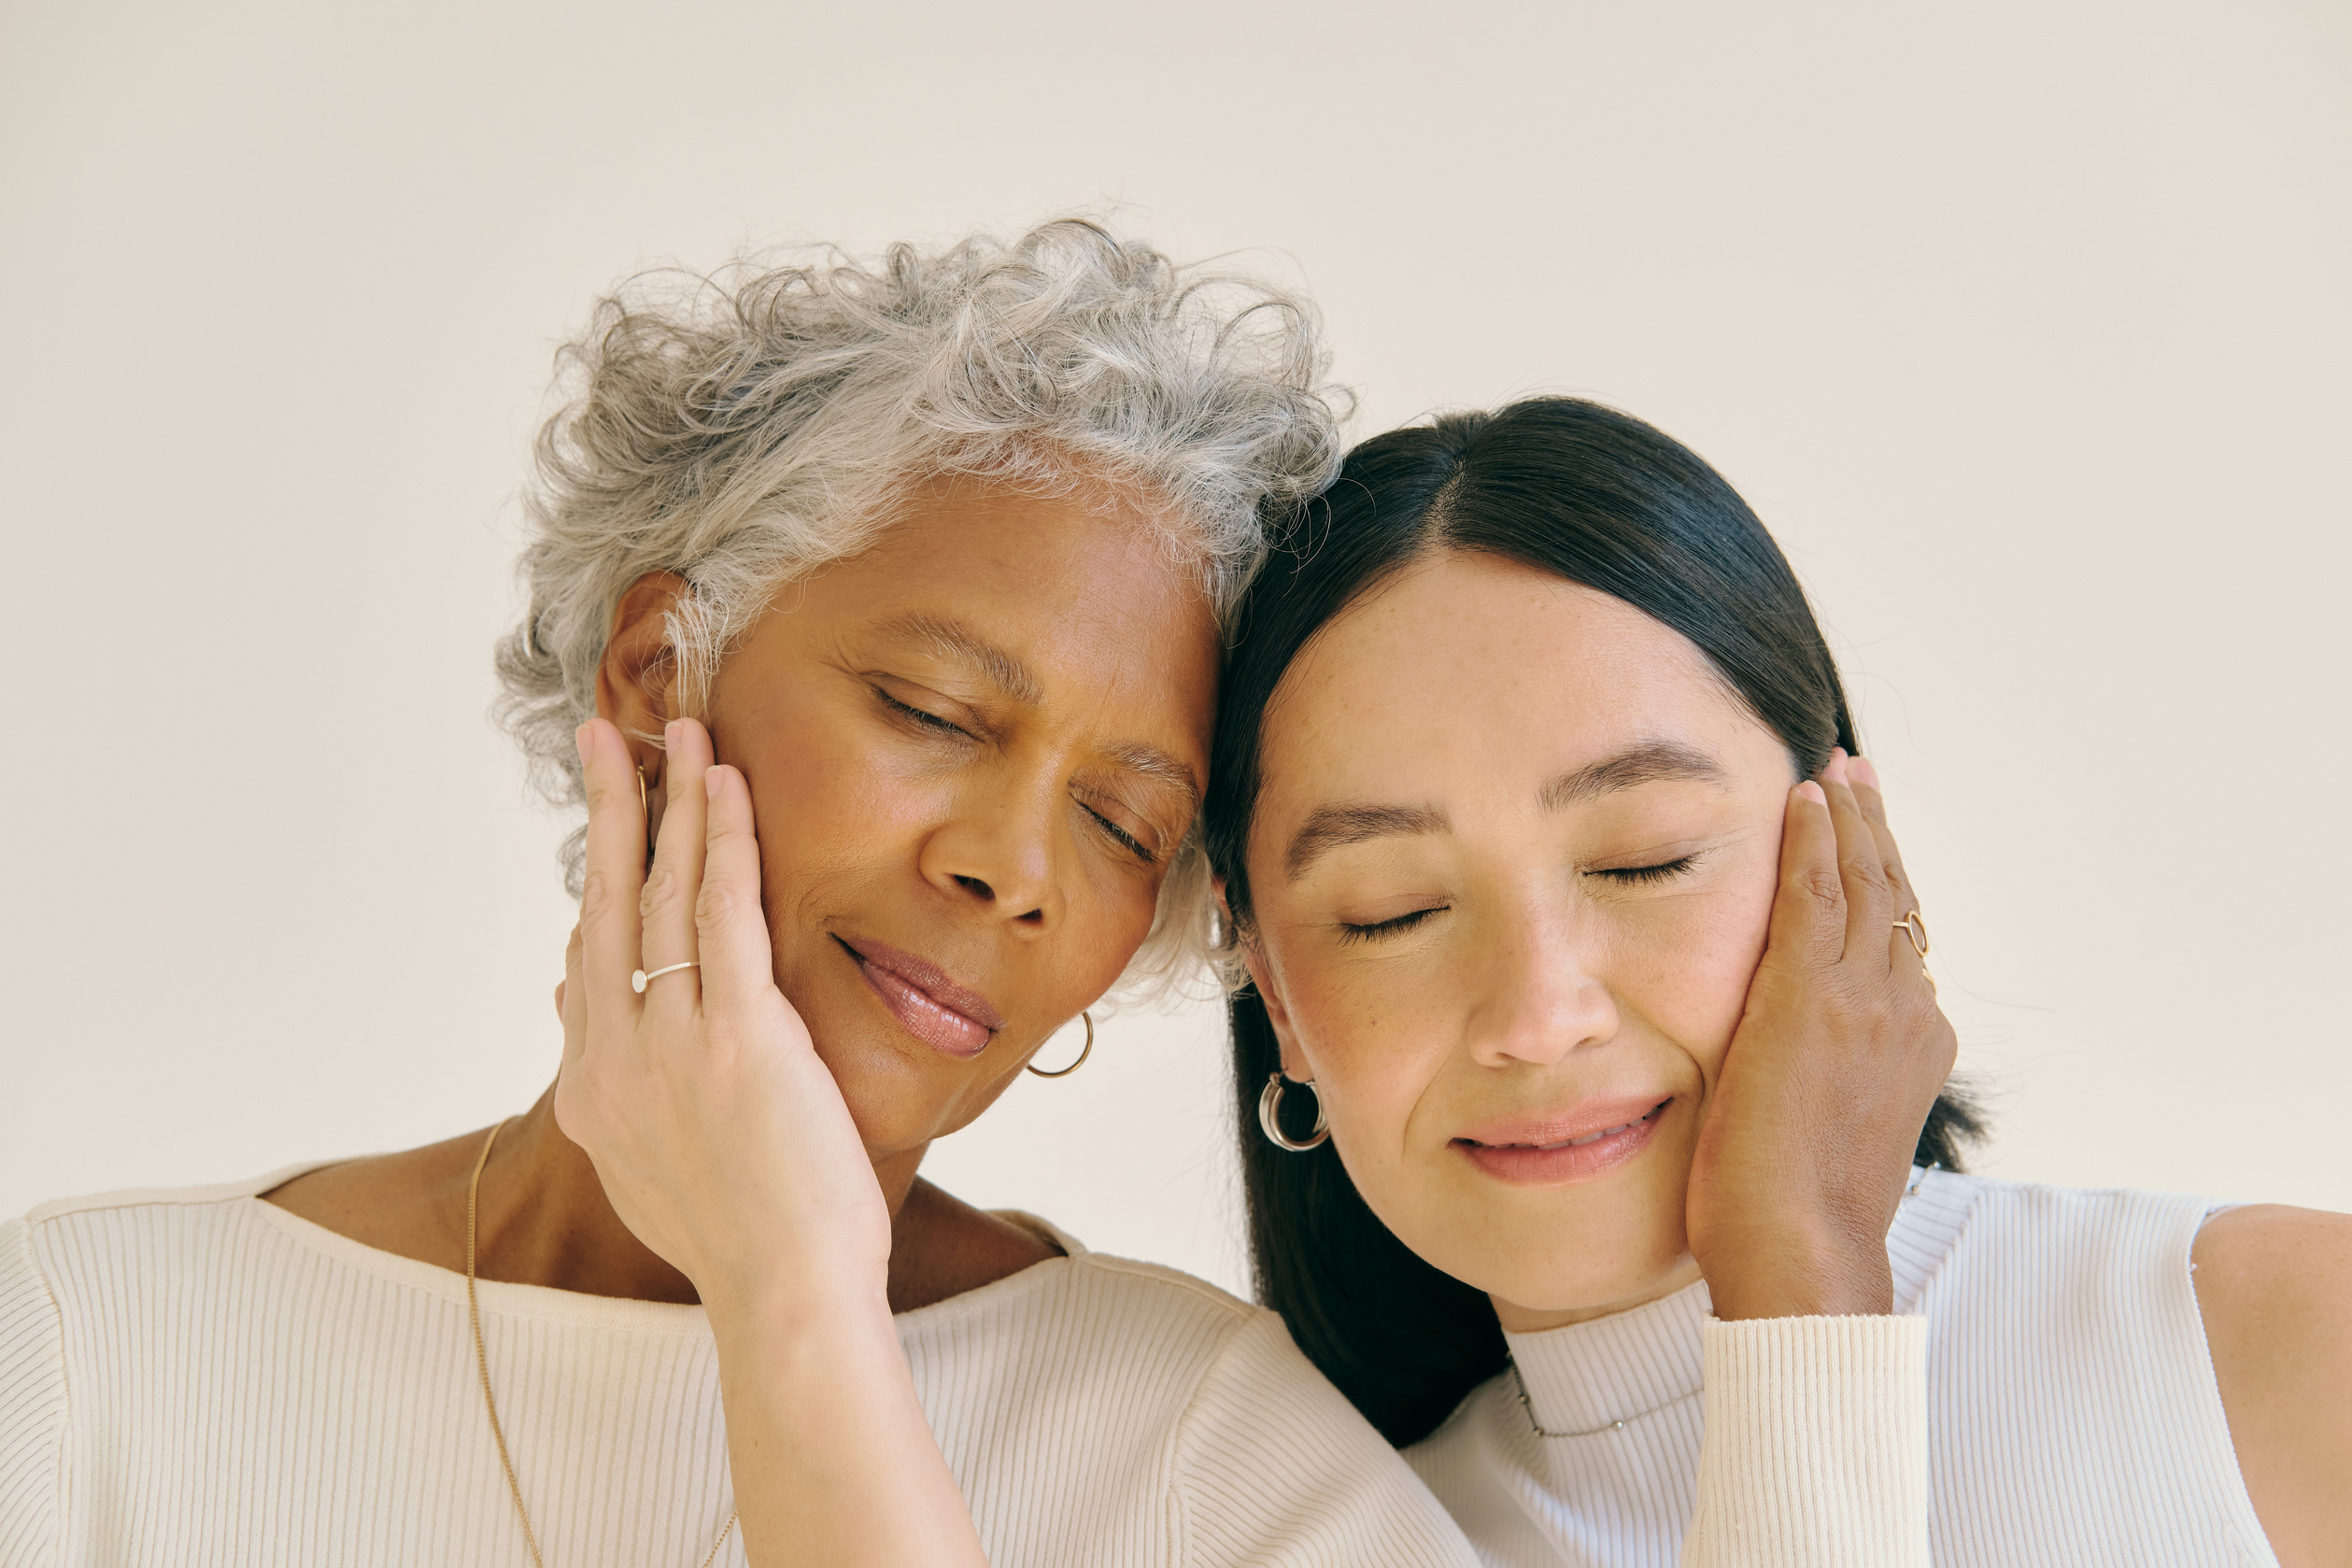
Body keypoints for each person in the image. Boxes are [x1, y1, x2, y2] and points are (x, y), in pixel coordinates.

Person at [0, 219, 1481, 1567]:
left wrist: (794, 1296)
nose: (1015, 870)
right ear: (661, 671)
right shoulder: (84, 1346)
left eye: (1121, 821)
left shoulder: (1207, 1454)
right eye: (933, 711)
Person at [1202, 395, 2352, 1566]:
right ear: (1276, 993)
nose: (1541, 1016)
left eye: (1644, 858)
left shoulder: (2289, 1344)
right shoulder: (1313, 1536)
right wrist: (1802, 1302)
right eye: (1393, 911)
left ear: (1853, 856)